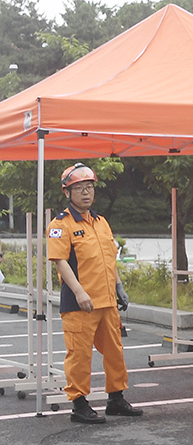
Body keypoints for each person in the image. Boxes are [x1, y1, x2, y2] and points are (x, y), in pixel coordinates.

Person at [47, 163, 142, 425]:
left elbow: (109, 259)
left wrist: (118, 286)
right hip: (80, 303)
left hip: (107, 301)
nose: (86, 193)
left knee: (114, 351)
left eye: (89, 187)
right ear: (68, 192)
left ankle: (116, 398)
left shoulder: (101, 223)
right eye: (79, 189)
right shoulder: (60, 224)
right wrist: (79, 292)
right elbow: (60, 261)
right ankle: (79, 404)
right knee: (79, 354)